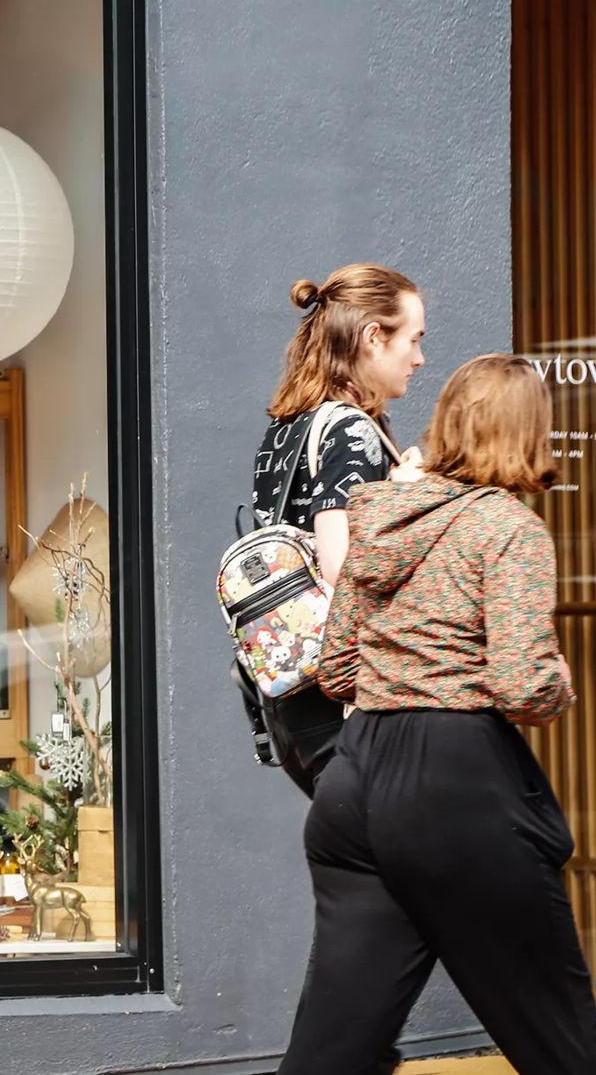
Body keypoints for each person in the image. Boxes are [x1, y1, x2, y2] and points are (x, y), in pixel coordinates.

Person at [276, 354, 596, 1075]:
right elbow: (521, 684)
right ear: (528, 433)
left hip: (355, 784)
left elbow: (335, 669)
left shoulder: (380, 521)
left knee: (334, 1049)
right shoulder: (508, 531)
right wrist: (558, 680)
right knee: (563, 1035)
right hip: (456, 786)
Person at [248, 264, 426, 793]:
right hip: (344, 699)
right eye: (413, 340)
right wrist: (405, 494)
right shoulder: (351, 428)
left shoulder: (288, 425)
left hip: (290, 694)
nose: (419, 359)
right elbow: (341, 565)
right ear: (374, 336)